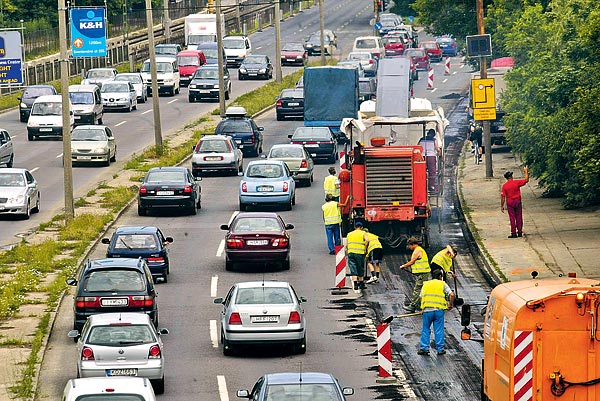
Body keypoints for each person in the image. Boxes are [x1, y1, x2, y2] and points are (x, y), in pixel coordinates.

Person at [417, 269, 455, 356]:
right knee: (439, 330)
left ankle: (424, 348)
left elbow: (420, 297)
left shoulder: (426, 284)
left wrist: (422, 308)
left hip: (427, 311)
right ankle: (440, 349)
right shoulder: (442, 284)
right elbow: (451, 295)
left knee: (426, 329)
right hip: (438, 311)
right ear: (440, 276)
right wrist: (450, 304)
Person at [401, 237, 430, 313]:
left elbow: (412, 262)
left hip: (423, 273)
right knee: (422, 289)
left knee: (418, 289)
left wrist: (403, 266)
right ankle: (421, 305)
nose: (409, 247)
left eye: (409, 245)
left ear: (413, 244)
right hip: (423, 273)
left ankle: (413, 306)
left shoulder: (417, 251)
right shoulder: (419, 249)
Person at [501, 166, 529, 238]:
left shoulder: (504, 186)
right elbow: (526, 180)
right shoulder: (516, 183)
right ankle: (519, 232)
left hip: (510, 202)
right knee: (519, 216)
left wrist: (502, 206)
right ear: (511, 177)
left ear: (506, 178)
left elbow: (503, 197)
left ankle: (513, 233)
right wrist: (526, 171)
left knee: (512, 217)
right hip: (517, 201)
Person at [346, 221, 369, 291]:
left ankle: (355, 284)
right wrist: (365, 248)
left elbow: (347, 244)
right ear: (361, 227)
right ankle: (361, 283)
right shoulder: (363, 233)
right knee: (360, 267)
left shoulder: (349, 234)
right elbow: (367, 240)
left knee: (353, 268)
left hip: (351, 253)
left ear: (355, 227)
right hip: (360, 253)